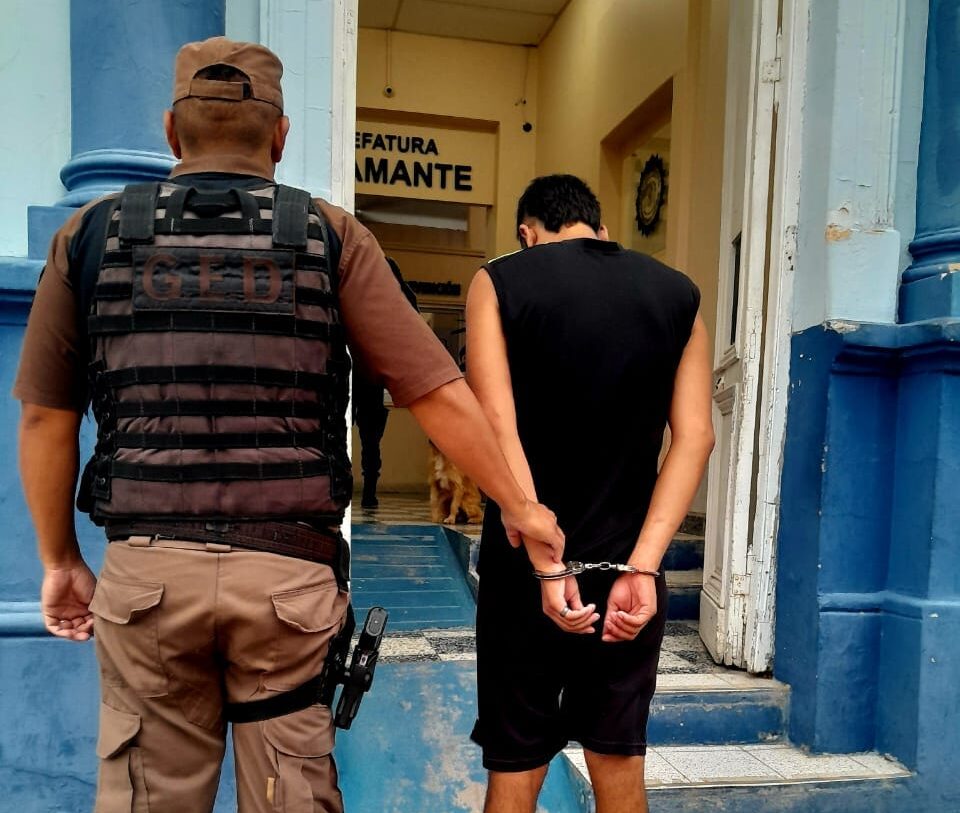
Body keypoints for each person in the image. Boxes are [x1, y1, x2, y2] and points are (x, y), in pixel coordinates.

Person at [14, 37, 563, 813]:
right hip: (286, 583)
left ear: (171, 131)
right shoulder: (330, 235)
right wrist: (523, 508)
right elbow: (437, 391)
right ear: (280, 136)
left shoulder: (91, 236)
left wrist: (60, 559)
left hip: (148, 582)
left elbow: (45, 415)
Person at [465, 174, 714, 813]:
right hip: (629, 572)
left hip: (525, 568)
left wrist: (548, 566)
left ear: (527, 235)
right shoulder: (678, 295)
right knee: (618, 758)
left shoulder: (499, 281)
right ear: (602, 230)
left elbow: (495, 426)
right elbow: (695, 439)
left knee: (516, 764)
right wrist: (644, 566)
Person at [352, 258, 417, 509]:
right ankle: (367, 492)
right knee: (369, 440)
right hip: (365, 368)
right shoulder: (379, 271)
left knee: (367, 439)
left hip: (361, 369)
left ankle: (366, 492)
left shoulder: (369, 271)